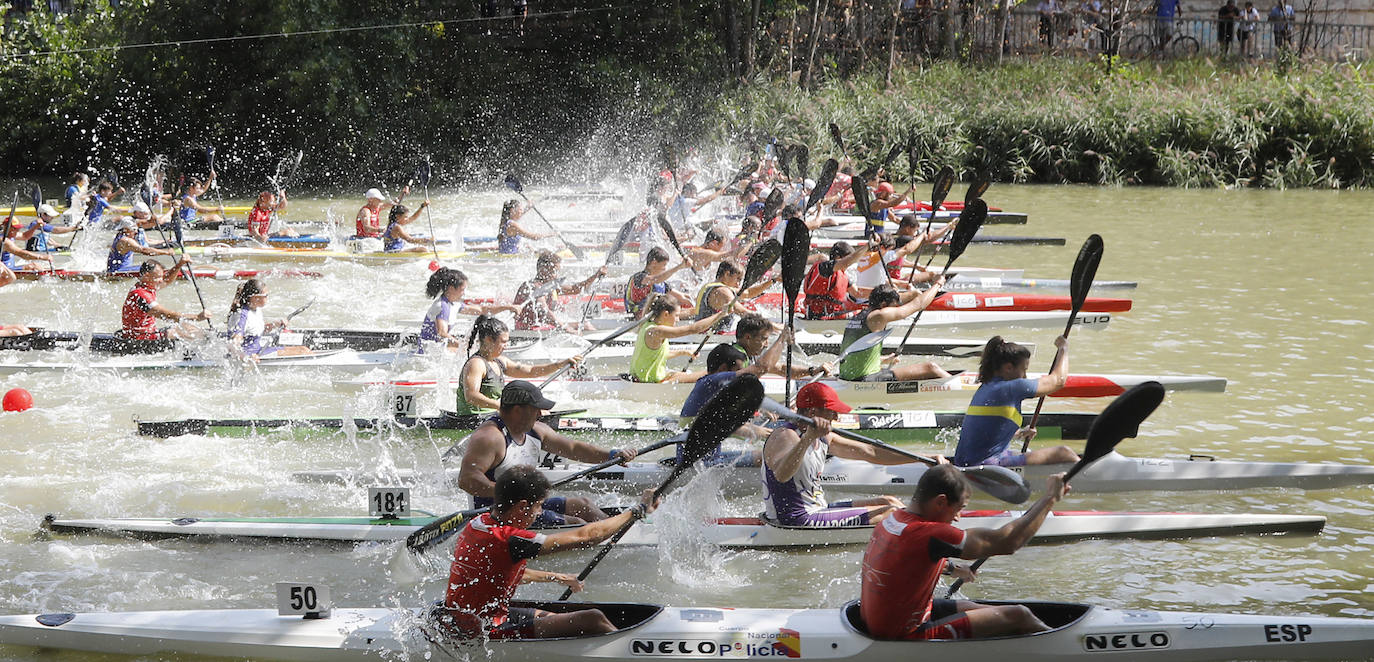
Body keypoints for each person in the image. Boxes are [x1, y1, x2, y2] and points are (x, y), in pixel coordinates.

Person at [440, 465, 659, 639]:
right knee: (593, 619)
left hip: (468, 618)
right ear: (521, 507)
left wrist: (556, 577)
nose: (539, 513)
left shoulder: (478, 524)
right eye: (539, 506)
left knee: (558, 617)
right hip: (485, 630)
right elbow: (585, 537)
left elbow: (498, 573)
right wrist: (637, 510)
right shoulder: (511, 539)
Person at [859, 464, 1069, 640]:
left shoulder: (893, 521)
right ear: (941, 501)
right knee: (1019, 615)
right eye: (959, 508)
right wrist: (1049, 498)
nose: (958, 518)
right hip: (903, 635)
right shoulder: (930, 533)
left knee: (972, 607)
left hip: (882, 622)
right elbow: (1008, 543)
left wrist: (953, 568)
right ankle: (1068, 648)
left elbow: (905, 561)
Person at [456, 381, 637, 526]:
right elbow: (467, 479)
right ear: (518, 410)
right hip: (495, 515)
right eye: (536, 409)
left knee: (583, 506)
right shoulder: (490, 437)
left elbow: (573, 449)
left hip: (527, 508)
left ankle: (618, 533)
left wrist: (612, 455)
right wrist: (510, 494)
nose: (540, 414)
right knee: (576, 523)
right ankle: (611, 537)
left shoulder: (536, 430)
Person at [761, 382, 915, 527]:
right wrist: (807, 439)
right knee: (891, 512)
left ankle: (921, 525)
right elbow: (781, 475)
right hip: (795, 520)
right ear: (813, 412)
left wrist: (922, 459)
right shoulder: (784, 436)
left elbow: (871, 452)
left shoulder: (824, 437)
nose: (836, 417)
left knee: (889, 501)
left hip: (818, 509)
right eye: (831, 411)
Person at [953, 336, 1078, 467]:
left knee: (1022, 452)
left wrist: (1019, 433)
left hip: (963, 462)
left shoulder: (985, 387)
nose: (1025, 377)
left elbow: (987, 430)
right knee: (1064, 453)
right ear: (1008, 368)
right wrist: (1063, 348)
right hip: (987, 465)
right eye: (1024, 370)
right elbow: (1058, 381)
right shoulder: (1012, 388)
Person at [674, 342, 786, 467]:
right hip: (699, 465)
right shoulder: (711, 381)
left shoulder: (712, 389)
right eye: (738, 371)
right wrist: (757, 432)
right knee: (770, 455)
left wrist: (761, 410)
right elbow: (760, 369)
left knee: (765, 452)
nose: (741, 375)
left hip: (707, 459)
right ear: (722, 369)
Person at [454, 315, 583, 416]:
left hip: (491, 416)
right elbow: (471, 397)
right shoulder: (476, 364)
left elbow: (531, 371)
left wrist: (560, 364)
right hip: (474, 420)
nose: (506, 345)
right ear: (488, 339)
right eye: (503, 342)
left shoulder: (499, 361)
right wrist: (504, 406)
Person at [837, 282, 951, 382]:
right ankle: (966, 388)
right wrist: (938, 284)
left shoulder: (857, 317)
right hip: (864, 380)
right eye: (893, 306)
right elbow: (918, 304)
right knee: (931, 368)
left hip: (847, 377)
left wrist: (884, 360)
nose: (895, 308)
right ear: (883, 305)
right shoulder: (879, 315)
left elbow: (855, 356)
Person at [629, 295, 732, 384]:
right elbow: (693, 329)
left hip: (644, 378)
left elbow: (655, 356)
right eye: (677, 316)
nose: (678, 320)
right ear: (665, 314)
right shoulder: (657, 331)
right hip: (650, 383)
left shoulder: (647, 325)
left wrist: (683, 352)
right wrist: (720, 314)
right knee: (712, 373)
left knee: (689, 374)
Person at [418, 267, 518, 352]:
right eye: (462, 290)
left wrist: (508, 307)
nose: (464, 293)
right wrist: (466, 347)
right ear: (451, 289)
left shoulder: (454, 304)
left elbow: (482, 310)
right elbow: (442, 334)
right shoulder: (442, 306)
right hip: (428, 353)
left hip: (438, 349)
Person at [118, 259, 211, 340]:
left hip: (147, 333)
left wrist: (180, 264)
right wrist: (197, 317)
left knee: (187, 327)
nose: (161, 280)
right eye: (158, 277)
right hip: (139, 339)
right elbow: (166, 315)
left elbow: (167, 280)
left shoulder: (146, 286)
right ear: (146, 275)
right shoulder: (141, 295)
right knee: (185, 333)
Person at [512, 251, 606, 331]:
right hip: (528, 330)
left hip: (541, 327)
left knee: (585, 324)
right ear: (542, 270)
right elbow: (545, 312)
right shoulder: (533, 287)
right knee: (585, 326)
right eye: (554, 271)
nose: (556, 276)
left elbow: (575, 289)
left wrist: (596, 275)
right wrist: (566, 328)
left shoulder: (550, 286)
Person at [226, 279, 311, 361]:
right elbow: (232, 345)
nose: (267, 297)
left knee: (304, 349)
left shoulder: (256, 309)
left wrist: (275, 324)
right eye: (266, 295)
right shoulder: (242, 316)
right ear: (255, 297)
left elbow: (254, 331)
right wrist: (247, 358)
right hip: (253, 356)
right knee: (304, 351)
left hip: (258, 351)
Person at [731, 312, 832, 379]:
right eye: (764, 339)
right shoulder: (736, 357)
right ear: (747, 337)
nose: (766, 345)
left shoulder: (751, 355)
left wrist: (812, 371)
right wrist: (782, 339)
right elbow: (762, 368)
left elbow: (781, 369)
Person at [693, 259, 779, 333]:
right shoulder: (722, 292)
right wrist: (773, 326)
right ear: (727, 274)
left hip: (702, 333)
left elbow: (748, 293)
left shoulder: (712, 286)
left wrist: (773, 280)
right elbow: (744, 312)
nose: (738, 285)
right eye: (738, 279)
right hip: (713, 337)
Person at [802, 242, 867, 319]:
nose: (849, 264)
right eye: (849, 261)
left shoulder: (842, 275)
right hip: (818, 316)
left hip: (832, 314)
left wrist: (879, 293)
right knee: (865, 313)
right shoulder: (825, 267)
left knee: (867, 309)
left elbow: (857, 293)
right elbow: (846, 262)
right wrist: (868, 246)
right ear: (838, 258)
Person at [624, 246, 692, 317]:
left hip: (654, 316)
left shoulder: (662, 284)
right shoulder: (639, 277)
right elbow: (655, 279)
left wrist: (695, 300)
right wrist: (679, 267)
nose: (665, 269)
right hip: (638, 317)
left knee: (685, 308)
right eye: (664, 265)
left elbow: (682, 297)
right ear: (654, 263)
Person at [106, 219, 178, 274]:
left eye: (136, 229)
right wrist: (166, 252)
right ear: (125, 229)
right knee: (153, 268)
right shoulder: (126, 241)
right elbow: (145, 250)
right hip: (119, 271)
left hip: (116, 269)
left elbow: (143, 223)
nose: (136, 232)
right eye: (133, 229)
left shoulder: (119, 236)